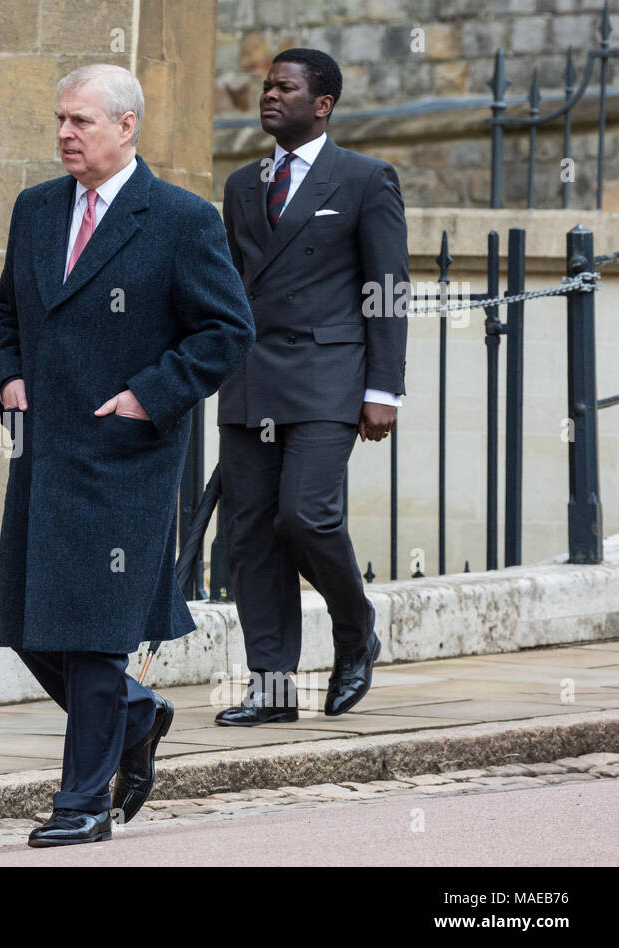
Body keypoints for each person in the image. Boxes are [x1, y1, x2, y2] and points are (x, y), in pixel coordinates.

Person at [0, 64, 255, 847]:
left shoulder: (179, 219)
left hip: (126, 459)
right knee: (34, 630)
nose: (65, 134)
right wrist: (8, 378)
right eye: (61, 121)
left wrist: (150, 394)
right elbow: (5, 315)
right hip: (44, 456)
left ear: (126, 125)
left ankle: (83, 802)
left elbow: (225, 331)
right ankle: (141, 717)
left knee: (97, 636)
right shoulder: (36, 210)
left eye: (82, 122)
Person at [215, 48, 409, 727]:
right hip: (249, 378)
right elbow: (231, 287)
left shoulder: (364, 178)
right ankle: (271, 689)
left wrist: (384, 388)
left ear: (321, 104)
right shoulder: (241, 185)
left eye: (285, 87)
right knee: (250, 537)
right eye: (267, 85)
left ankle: (355, 630)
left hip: (329, 378)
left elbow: (386, 290)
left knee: (305, 515)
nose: (270, 95)